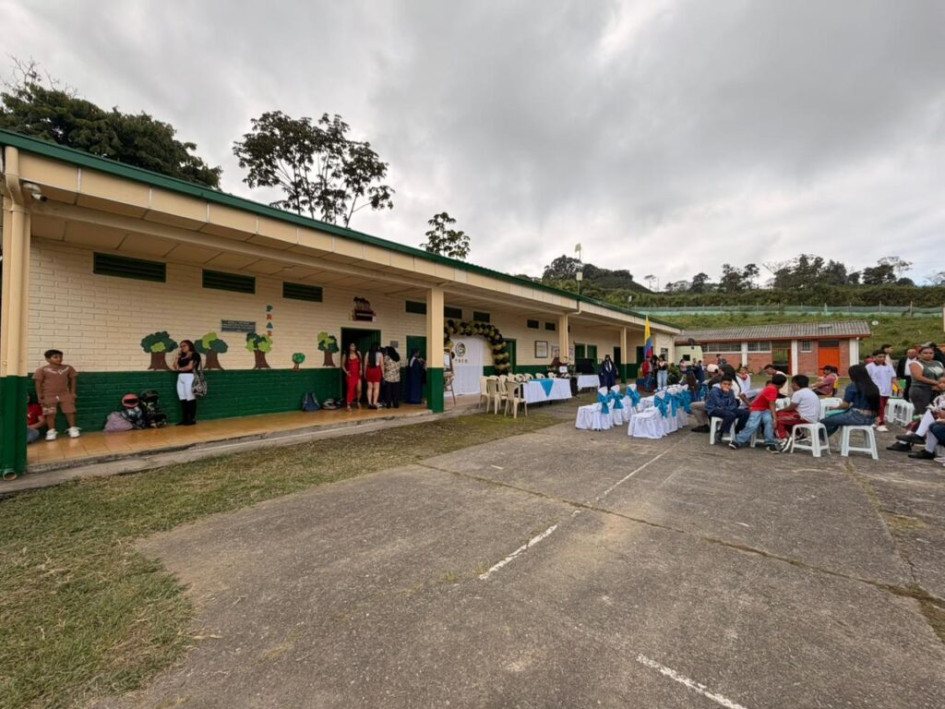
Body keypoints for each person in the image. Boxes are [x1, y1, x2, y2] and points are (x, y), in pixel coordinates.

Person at [729, 372, 789, 452]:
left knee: (768, 423)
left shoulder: (771, 387)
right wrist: (775, 418)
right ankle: (737, 441)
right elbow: (772, 404)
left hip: (765, 409)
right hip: (757, 409)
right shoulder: (772, 389)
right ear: (783, 384)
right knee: (753, 425)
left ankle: (770, 442)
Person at [33, 348, 80, 440]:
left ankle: (73, 429)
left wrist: (73, 393)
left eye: (60, 357)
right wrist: (40, 396)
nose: (59, 359)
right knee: (50, 413)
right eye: (55, 357)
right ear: (48, 359)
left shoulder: (68, 368)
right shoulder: (42, 370)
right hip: (48, 395)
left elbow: (73, 379)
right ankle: (51, 431)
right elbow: (38, 383)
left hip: (65, 394)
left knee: (70, 411)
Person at [822, 364, 879, 437]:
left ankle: (820, 439)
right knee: (836, 419)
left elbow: (845, 405)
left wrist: (834, 408)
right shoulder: (873, 386)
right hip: (871, 419)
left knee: (825, 421)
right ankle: (823, 438)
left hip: (856, 416)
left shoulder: (853, 386)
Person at [775, 375, 821, 443]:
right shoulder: (810, 392)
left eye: (792, 384)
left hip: (805, 418)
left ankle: (783, 439)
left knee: (778, 418)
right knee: (785, 417)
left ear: (795, 384)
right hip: (812, 417)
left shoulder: (798, 393)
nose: (791, 386)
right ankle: (798, 434)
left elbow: (791, 407)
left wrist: (779, 410)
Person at [706, 377, 749, 443]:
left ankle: (737, 430)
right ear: (720, 384)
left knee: (746, 413)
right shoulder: (714, 391)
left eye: (729, 385)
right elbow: (720, 404)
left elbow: (733, 404)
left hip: (728, 409)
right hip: (714, 409)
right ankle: (720, 432)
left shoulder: (731, 391)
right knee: (731, 415)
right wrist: (726, 394)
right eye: (725, 384)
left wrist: (731, 408)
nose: (727, 386)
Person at [909, 344, 945, 418]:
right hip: (920, 390)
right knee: (922, 412)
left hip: (937, 390)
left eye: (931, 353)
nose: (928, 355)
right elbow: (918, 377)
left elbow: (943, 374)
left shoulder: (938, 363)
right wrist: (937, 383)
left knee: (936, 411)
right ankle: (915, 428)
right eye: (925, 353)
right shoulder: (915, 363)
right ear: (919, 354)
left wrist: (942, 382)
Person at [866, 351, 896, 432]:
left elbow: (893, 378)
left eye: (883, 357)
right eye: (879, 357)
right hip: (876, 390)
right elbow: (867, 379)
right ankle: (881, 424)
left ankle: (873, 421)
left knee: (880, 407)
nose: (882, 358)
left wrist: (899, 387)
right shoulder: (869, 367)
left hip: (887, 390)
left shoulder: (889, 366)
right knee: (880, 407)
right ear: (874, 357)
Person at [174, 339, 201, 425]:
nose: (182, 348)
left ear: (190, 345)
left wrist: (180, 369)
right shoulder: (182, 356)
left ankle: (191, 419)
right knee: (182, 398)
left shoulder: (194, 355)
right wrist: (177, 358)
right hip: (181, 377)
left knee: (190, 398)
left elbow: (190, 367)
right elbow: (175, 366)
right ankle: (185, 419)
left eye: (184, 345)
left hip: (190, 376)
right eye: (181, 346)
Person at [341, 342, 363, 411]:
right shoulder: (346, 355)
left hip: (357, 374)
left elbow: (361, 362)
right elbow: (342, 365)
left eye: (354, 345)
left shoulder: (358, 353)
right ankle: (348, 404)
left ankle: (358, 401)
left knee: (359, 389)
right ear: (349, 347)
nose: (354, 347)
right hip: (350, 375)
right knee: (350, 390)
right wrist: (346, 372)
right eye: (352, 345)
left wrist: (361, 369)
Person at [364, 343, 384, 409]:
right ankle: (374, 403)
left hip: (369, 370)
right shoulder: (380, 354)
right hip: (377, 370)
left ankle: (369, 403)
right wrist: (383, 374)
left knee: (369, 388)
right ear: (377, 347)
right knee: (376, 388)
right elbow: (382, 365)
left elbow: (365, 364)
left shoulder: (367, 353)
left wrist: (364, 373)